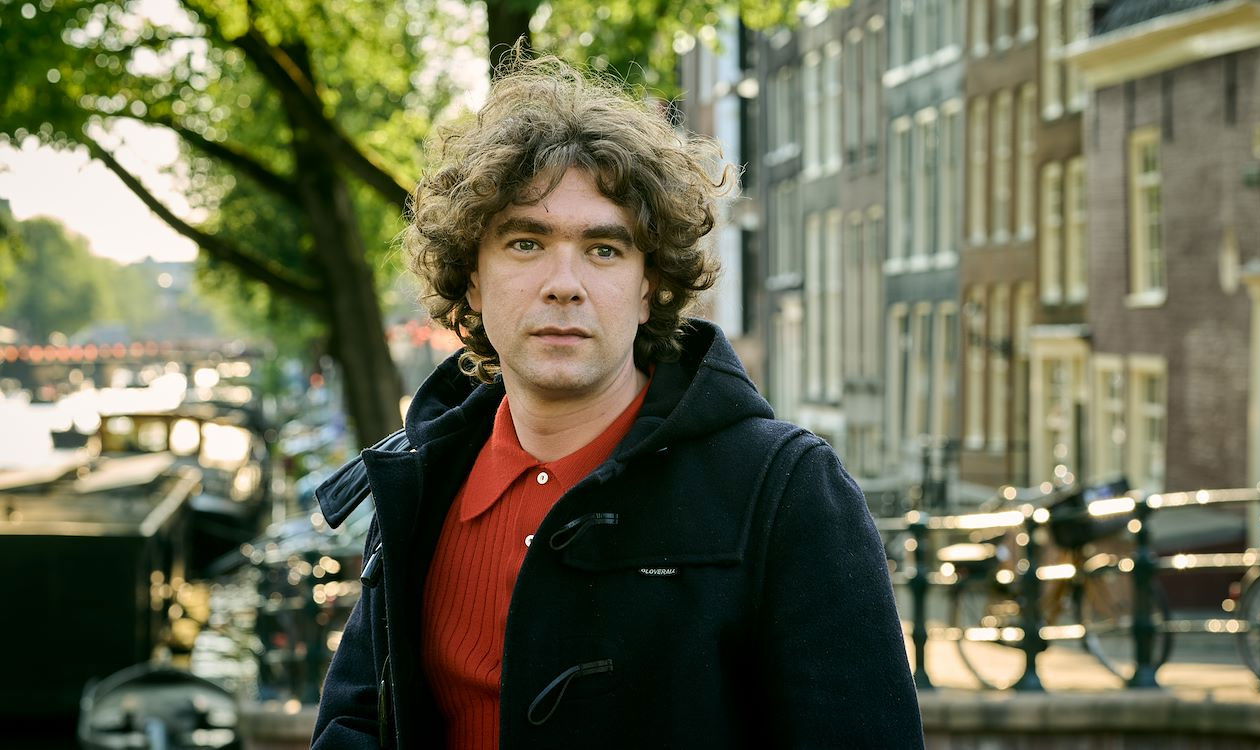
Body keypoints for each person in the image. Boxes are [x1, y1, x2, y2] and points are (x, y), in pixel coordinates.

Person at [311, 55, 923, 749]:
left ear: (650, 285)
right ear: (473, 280)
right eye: (525, 243)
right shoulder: (421, 481)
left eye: (603, 249)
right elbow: (355, 723)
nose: (563, 283)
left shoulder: (783, 491)